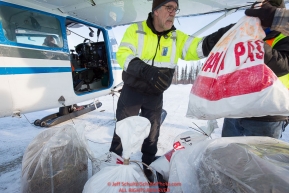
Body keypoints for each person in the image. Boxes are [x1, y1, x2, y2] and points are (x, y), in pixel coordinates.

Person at [109, 0, 234, 181]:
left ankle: (148, 165)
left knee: (153, 133)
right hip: (132, 91)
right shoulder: (136, 30)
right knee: (122, 129)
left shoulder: (177, 37)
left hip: (155, 94)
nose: (173, 13)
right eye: (169, 8)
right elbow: (123, 55)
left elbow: (198, 48)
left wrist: (224, 34)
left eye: (175, 9)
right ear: (156, 11)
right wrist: (145, 70)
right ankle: (114, 164)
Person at [222, 0, 289, 139]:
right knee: (227, 156)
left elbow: (282, 65)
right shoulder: (246, 36)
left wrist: (255, 44)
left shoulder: (284, 37)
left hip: (267, 115)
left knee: (260, 159)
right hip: (236, 111)